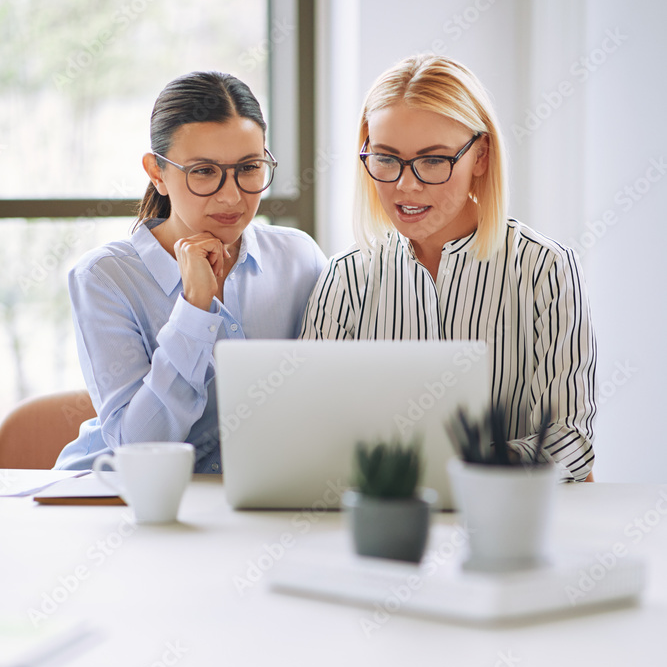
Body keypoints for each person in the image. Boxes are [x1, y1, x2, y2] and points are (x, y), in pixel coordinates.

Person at [301, 54, 597, 481]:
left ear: (480, 157)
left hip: (500, 521)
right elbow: (310, 426)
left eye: (434, 160)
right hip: (383, 522)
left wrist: (450, 467)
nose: (406, 185)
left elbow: (569, 442)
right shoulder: (346, 276)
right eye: (386, 158)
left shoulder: (544, 269)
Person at [56, 71, 326, 473]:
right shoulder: (105, 277)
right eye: (203, 171)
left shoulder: (298, 258)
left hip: (251, 499)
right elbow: (139, 447)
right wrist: (195, 310)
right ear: (157, 173)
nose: (232, 196)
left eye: (249, 167)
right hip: (123, 499)